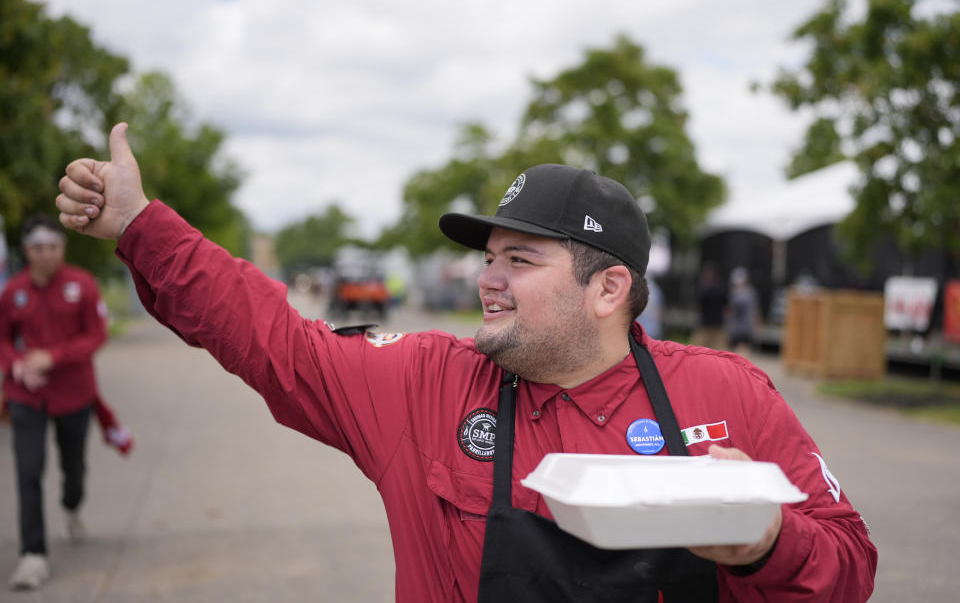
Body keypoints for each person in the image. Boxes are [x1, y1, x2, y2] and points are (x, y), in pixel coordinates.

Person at [55, 123, 877, 602]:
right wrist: (141, 226)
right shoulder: (425, 383)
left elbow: (851, 569)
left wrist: (765, 539)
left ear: (610, 288)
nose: (486, 279)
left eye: (519, 261)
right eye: (489, 257)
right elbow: (269, 333)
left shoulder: (728, 392)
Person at [0, 215, 109, 590]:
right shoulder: (12, 291)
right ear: (26, 251)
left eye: (52, 247)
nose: (46, 255)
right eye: (37, 248)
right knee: (28, 472)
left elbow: (96, 335)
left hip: (74, 393)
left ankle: (72, 504)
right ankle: (33, 556)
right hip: (26, 397)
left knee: (73, 467)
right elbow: (2, 341)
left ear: (62, 247)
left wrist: (54, 357)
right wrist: (16, 366)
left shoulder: (82, 285)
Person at [691, 262, 727, 350]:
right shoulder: (720, 289)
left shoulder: (703, 289)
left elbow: (697, 302)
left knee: (696, 351)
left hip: (705, 325)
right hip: (717, 324)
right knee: (719, 352)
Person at [726, 267, 760, 357]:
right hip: (743, 326)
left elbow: (734, 309)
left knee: (740, 351)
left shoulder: (739, 293)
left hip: (742, 327)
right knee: (742, 350)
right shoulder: (750, 292)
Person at [635, 275, 664, 340]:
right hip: (653, 330)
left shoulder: (637, 289)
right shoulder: (657, 290)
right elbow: (660, 312)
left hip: (641, 330)